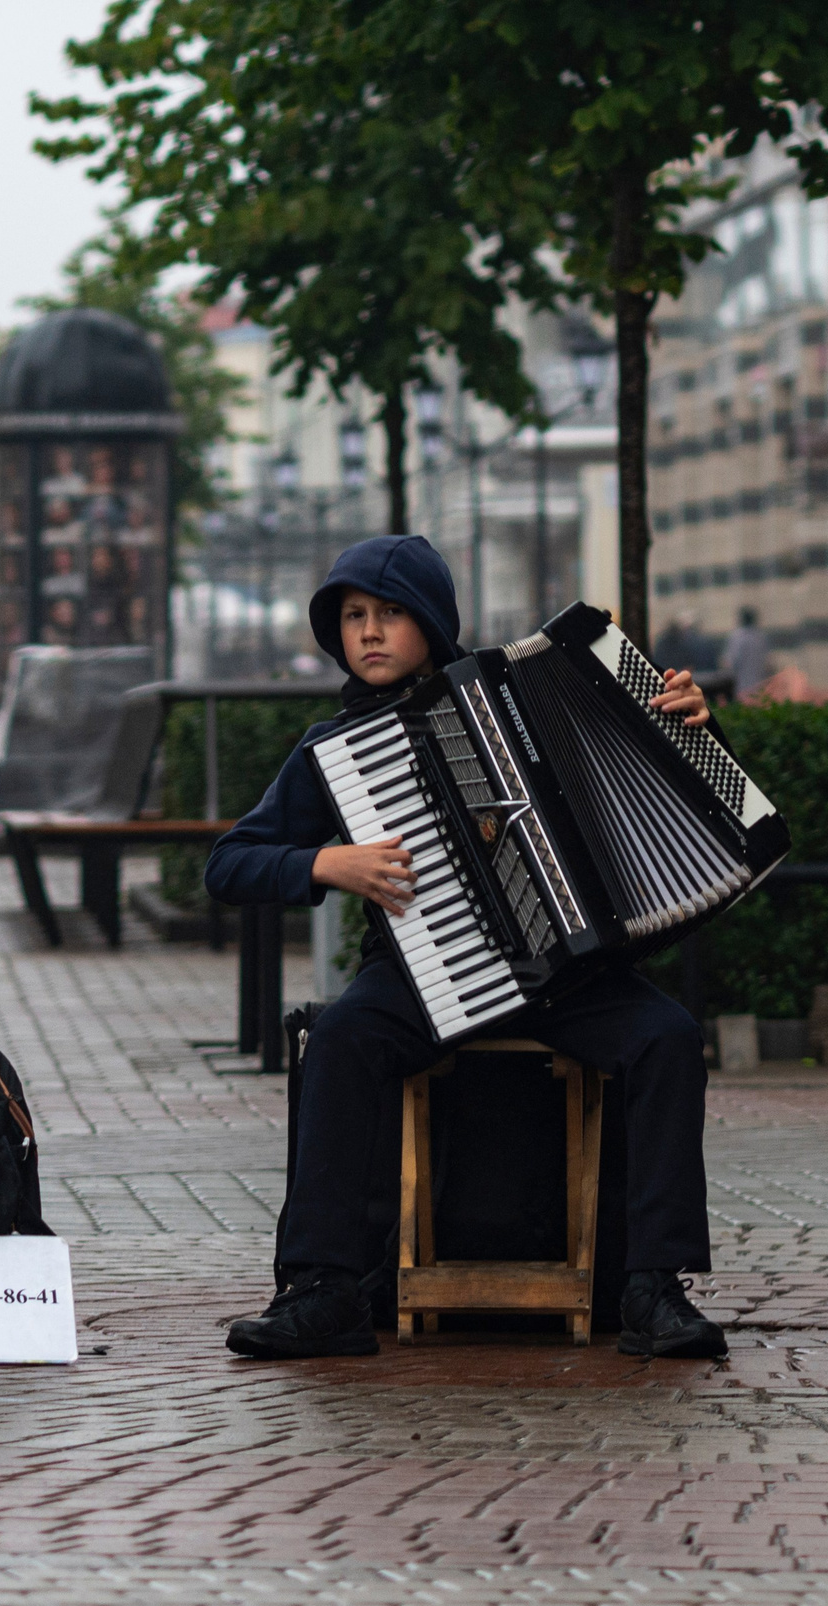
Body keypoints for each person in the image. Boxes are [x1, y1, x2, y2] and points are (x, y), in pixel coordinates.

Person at [205, 535, 727, 1362]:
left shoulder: (524, 695)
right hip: (422, 969)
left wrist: (690, 724)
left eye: (391, 613)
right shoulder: (330, 748)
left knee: (666, 1037)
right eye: (352, 616)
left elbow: (660, 780)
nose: (369, 632)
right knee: (340, 1037)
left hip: (566, 975)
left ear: (434, 624)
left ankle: (652, 1286)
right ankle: (324, 1289)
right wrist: (324, 862)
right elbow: (228, 864)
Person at [721, 606, 769, 699]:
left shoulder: (737, 637)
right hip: (759, 682)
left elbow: (731, 661)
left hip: (741, 683)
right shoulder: (761, 637)